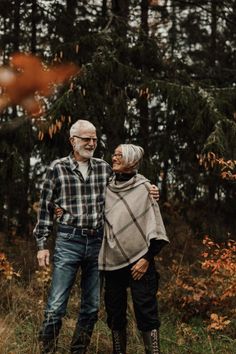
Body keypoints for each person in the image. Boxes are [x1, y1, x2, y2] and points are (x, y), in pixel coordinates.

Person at [34, 120, 159, 354]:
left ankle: (78, 350)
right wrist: (42, 244)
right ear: (73, 141)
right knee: (56, 306)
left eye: (94, 139)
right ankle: (46, 350)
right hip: (68, 241)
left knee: (91, 307)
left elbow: (129, 178)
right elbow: (45, 207)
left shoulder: (104, 168)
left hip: (97, 244)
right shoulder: (57, 168)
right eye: (86, 139)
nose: (92, 143)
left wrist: (150, 186)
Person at [99, 144, 169, 354]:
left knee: (146, 311)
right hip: (111, 260)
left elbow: (155, 227)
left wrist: (146, 259)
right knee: (115, 313)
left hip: (140, 261)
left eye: (119, 155)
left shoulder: (145, 188)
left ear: (132, 161)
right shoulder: (106, 187)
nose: (114, 158)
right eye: (114, 154)